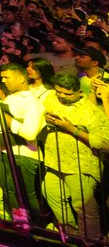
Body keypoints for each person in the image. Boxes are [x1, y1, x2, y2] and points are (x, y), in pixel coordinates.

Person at [41, 73, 109, 241]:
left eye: (67, 94)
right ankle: (71, 232)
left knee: (83, 206)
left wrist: (72, 129)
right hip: (54, 161)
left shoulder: (91, 111)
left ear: (79, 92)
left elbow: (105, 142)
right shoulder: (51, 98)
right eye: (59, 92)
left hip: (80, 165)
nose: (62, 96)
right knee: (50, 193)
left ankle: (91, 240)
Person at [0, 63, 45, 221]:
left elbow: (30, 133)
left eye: (7, 77)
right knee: (10, 191)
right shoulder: (11, 98)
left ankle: (34, 227)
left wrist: (0, 112)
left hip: (24, 155)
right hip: (5, 152)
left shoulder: (33, 103)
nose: (3, 81)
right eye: (2, 78)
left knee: (25, 195)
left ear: (21, 79)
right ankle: (20, 222)